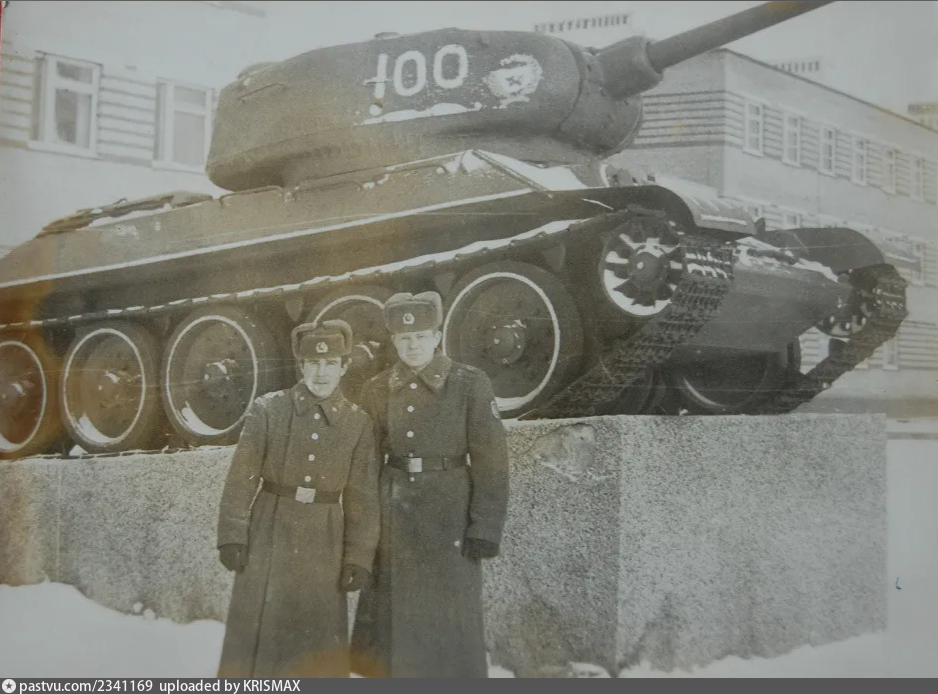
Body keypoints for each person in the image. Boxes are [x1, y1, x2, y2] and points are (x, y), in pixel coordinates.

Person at [350, 291, 510, 678]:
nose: (413, 345)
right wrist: (363, 535)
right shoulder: (376, 389)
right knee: (393, 626)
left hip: (450, 516)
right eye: (404, 338)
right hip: (394, 514)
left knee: (449, 618)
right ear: (393, 341)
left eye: (421, 336)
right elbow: (364, 468)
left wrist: (485, 526)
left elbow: (491, 461)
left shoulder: (469, 383)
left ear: (437, 336)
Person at [215, 319, 381, 678]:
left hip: (325, 539)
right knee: (257, 638)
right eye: (313, 363)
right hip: (269, 531)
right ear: (301, 365)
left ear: (344, 366)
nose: (321, 372)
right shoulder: (268, 409)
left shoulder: (358, 424)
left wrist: (358, 557)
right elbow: (241, 478)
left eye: (330, 363)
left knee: (316, 636)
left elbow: (362, 498)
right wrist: (232, 535)